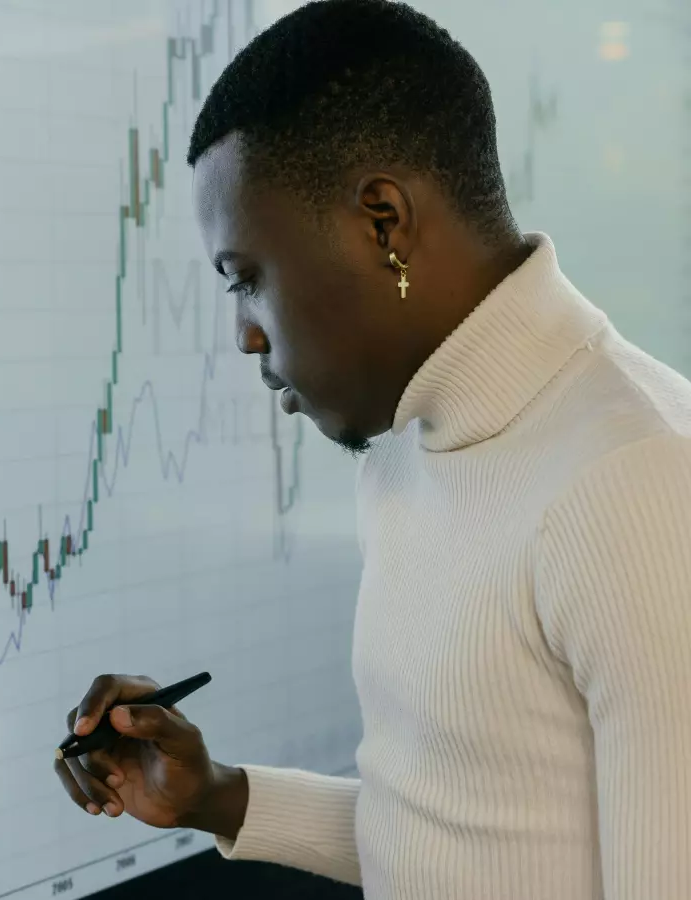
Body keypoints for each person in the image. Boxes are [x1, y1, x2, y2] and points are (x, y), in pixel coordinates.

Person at [53, 1, 691, 898]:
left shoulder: (640, 478)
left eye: (247, 279)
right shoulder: (405, 448)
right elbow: (452, 836)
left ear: (384, 222)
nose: (243, 335)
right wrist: (218, 799)